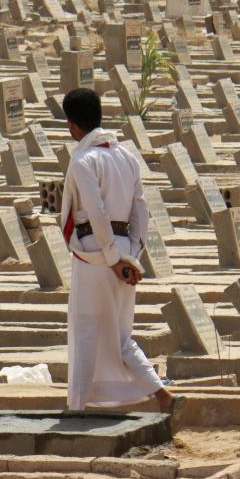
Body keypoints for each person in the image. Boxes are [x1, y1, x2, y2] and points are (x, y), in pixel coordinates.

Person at [60, 88, 183, 422]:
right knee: (119, 333)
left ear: (72, 125)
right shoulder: (127, 156)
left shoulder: (84, 160)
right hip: (125, 249)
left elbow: (95, 212)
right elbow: (140, 209)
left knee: (85, 326)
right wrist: (133, 253)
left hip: (96, 252)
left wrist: (113, 258)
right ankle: (160, 392)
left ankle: (77, 408)